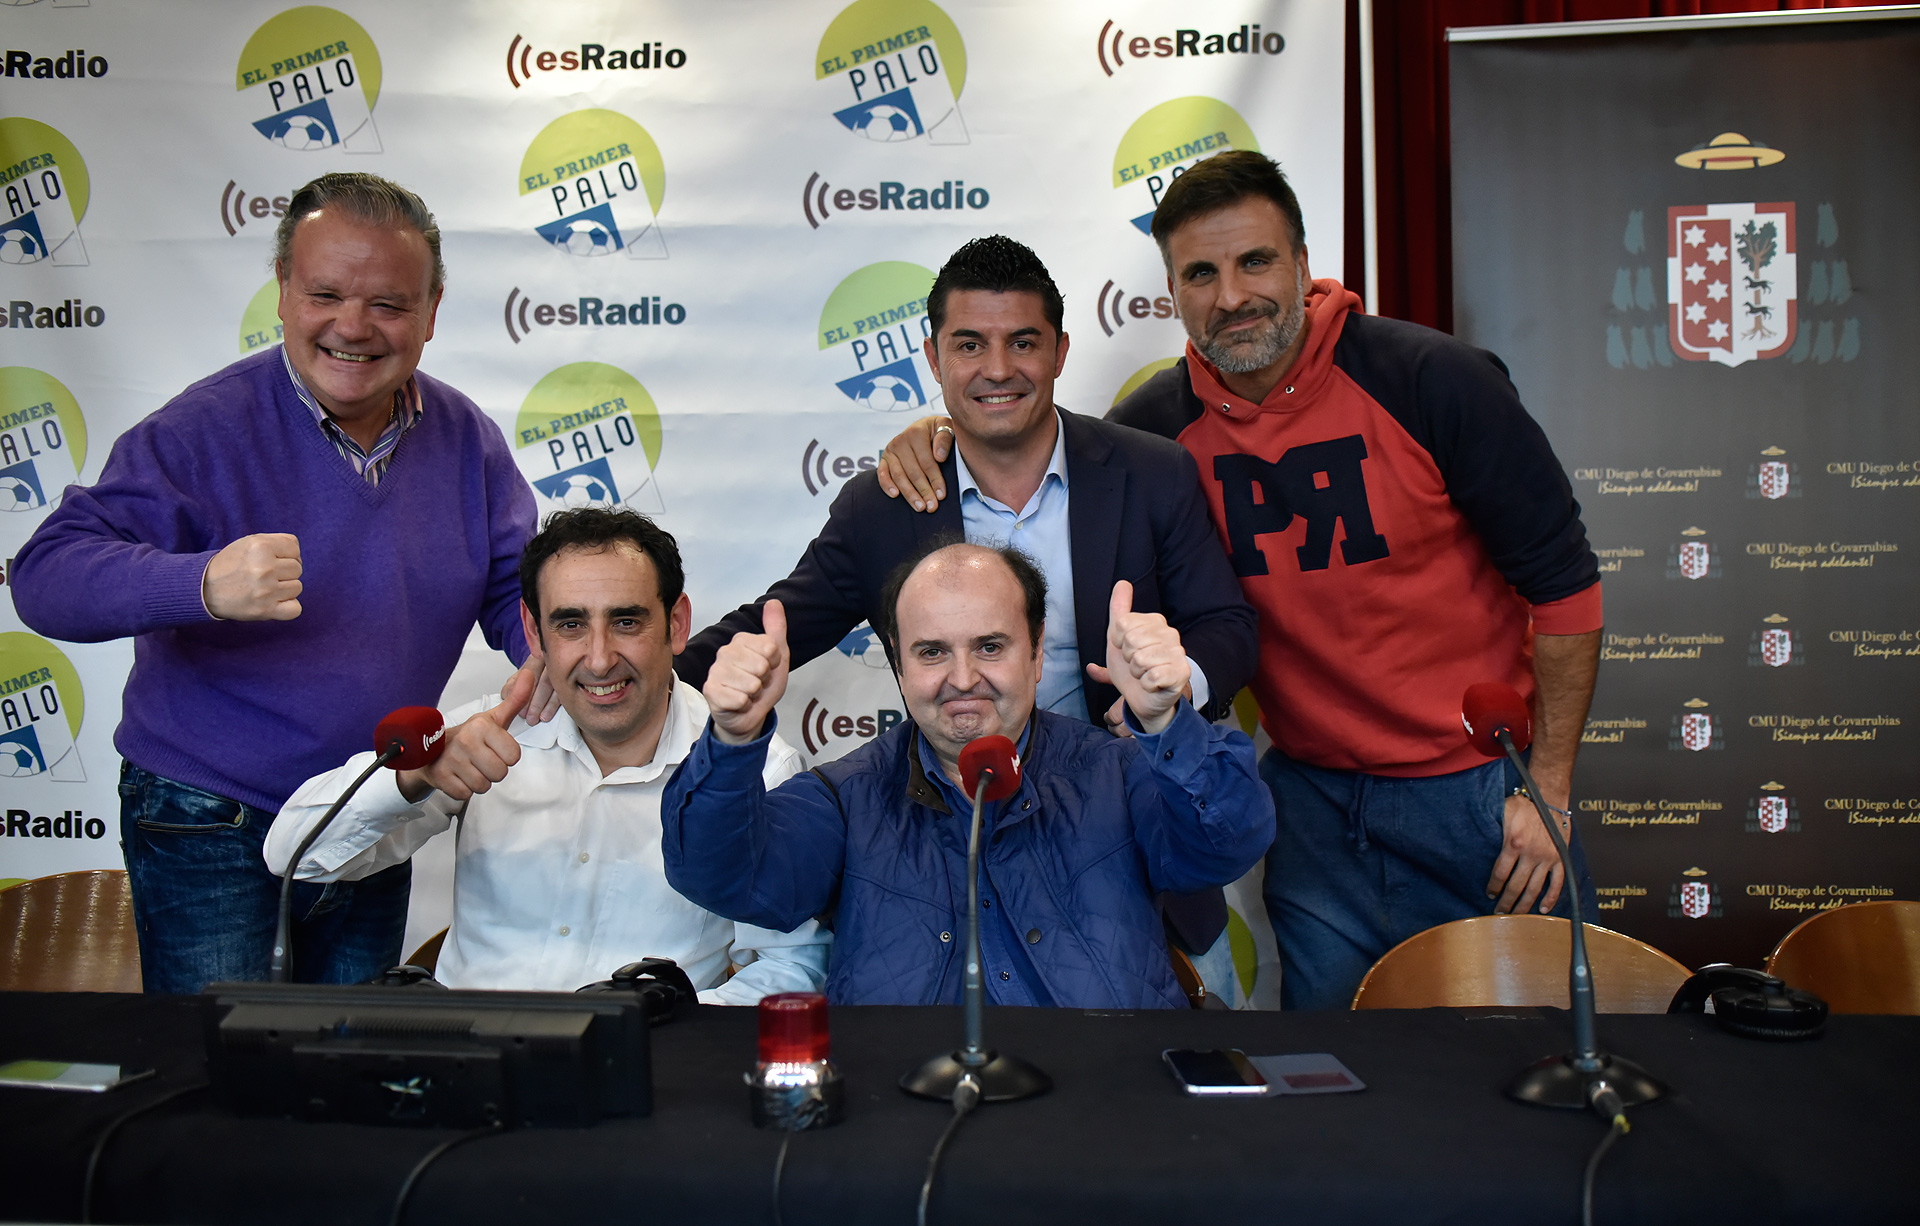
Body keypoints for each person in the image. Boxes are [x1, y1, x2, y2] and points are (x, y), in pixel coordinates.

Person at [880, 152, 1604, 1011]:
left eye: (1254, 261)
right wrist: (938, 437)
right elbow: (1037, 448)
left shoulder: (1432, 381)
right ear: (1172, 292)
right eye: (1200, 274)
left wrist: (1548, 790)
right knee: (1334, 1072)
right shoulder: (1156, 429)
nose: (1230, 296)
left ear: (1302, 263)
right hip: (1309, 803)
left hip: (1480, 794)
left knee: (1534, 1057)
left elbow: (1567, 589)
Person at [10, 173, 537, 994]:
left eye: (388, 304)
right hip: (212, 818)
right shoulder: (200, 429)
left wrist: (558, 648)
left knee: (348, 1058)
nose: (352, 327)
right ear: (284, 292)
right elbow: (45, 576)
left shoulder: (467, 438)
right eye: (325, 294)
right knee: (225, 1064)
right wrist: (200, 585)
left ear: (432, 310)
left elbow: (514, 590)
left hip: (370, 806)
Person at [674, 235, 1256, 957]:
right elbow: (771, 629)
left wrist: (1164, 696)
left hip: (1137, 844)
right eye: (970, 345)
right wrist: (625, 672)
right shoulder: (888, 504)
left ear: (1061, 352)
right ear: (933, 358)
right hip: (953, 863)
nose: (998, 369)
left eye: (1023, 343)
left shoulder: (1153, 472)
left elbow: (1228, 626)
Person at [662, 540, 1273, 1008]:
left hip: (1108, 1106)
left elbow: (1231, 841)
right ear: (898, 665)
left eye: (989, 646)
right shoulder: (844, 797)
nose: (961, 679)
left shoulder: (1119, 771)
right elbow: (722, 876)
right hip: (908, 1114)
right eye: (932, 652)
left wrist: (1166, 721)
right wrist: (731, 740)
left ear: (1036, 653)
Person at [265, 508, 828, 1001]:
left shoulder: (756, 766)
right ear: (534, 634)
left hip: (643, 1067)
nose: (600, 659)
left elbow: (792, 969)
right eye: (571, 624)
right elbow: (291, 855)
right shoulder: (487, 729)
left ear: (676, 625)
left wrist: (666, 1032)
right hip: (468, 1059)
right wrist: (416, 776)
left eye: (626, 621)